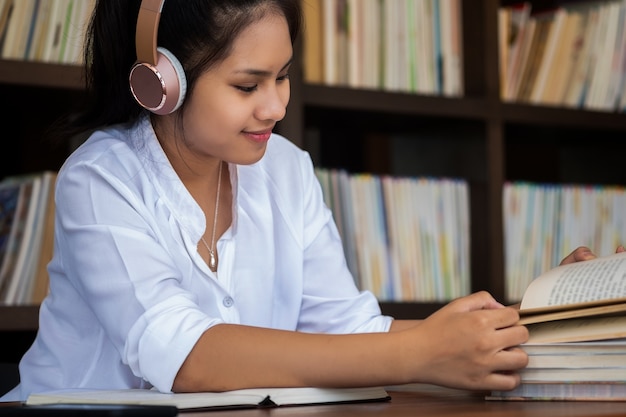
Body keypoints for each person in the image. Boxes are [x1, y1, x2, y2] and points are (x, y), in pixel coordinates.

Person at [0, 0, 618, 402]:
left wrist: (544, 323)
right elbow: (186, 357)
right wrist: (422, 351)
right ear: (161, 83)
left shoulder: (286, 170)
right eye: (248, 85)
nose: (275, 107)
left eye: (283, 76)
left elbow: (349, 331)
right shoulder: (101, 178)